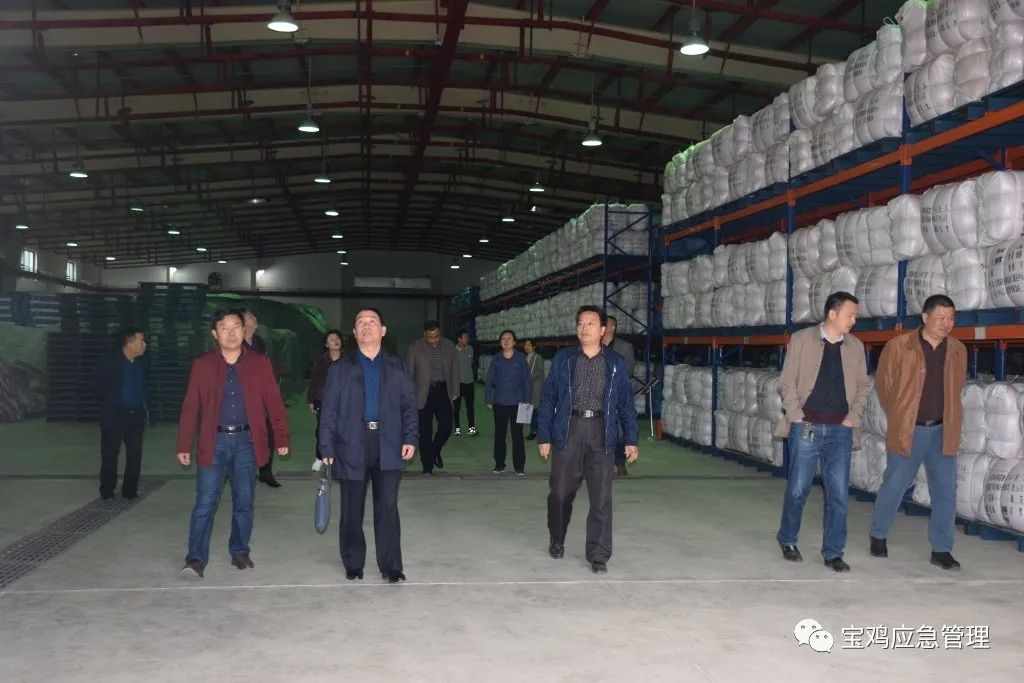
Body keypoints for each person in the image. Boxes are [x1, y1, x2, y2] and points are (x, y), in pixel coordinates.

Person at [176, 309, 290, 580]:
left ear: (244, 330)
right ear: (215, 334)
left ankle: (239, 550)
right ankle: (195, 558)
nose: (231, 332)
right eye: (224, 327)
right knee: (205, 502)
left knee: (244, 502)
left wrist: (281, 437)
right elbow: (191, 406)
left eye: (236, 326)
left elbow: (274, 402)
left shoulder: (260, 363)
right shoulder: (203, 365)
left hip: (246, 442)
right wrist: (183, 443)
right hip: (213, 441)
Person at [537, 305, 639, 574]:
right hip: (568, 428)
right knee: (559, 493)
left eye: (590, 323)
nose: (584, 328)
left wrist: (631, 438)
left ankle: (598, 554)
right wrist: (544, 434)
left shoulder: (615, 363)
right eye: (580, 323)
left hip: (601, 431)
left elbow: (626, 404)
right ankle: (557, 538)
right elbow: (548, 397)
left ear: (603, 329)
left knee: (601, 497)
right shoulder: (564, 359)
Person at [319, 308, 418, 584]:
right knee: (352, 508)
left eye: (372, 322)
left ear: (383, 330)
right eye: (360, 322)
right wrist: (326, 446)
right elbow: (329, 411)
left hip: (389, 443)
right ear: (354, 332)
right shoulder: (340, 368)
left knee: (387, 506)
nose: (366, 326)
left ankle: (391, 566)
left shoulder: (397, 366)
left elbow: (409, 406)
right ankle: (353, 562)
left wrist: (410, 437)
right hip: (351, 443)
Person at [869, 294, 966, 570]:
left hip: (943, 430)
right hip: (909, 429)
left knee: (945, 491)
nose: (946, 324)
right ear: (925, 317)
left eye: (951, 318)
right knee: (895, 484)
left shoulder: (958, 349)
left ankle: (942, 549)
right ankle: (878, 534)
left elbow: (957, 387)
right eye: (941, 318)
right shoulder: (900, 346)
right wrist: (901, 414)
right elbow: (884, 386)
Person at [774, 291, 868, 573]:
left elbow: (863, 387)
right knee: (798, 488)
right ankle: (788, 539)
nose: (854, 320)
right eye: (850, 315)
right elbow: (786, 382)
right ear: (832, 314)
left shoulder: (855, 347)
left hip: (840, 430)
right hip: (807, 426)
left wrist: (853, 416)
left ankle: (833, 552)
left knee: (838, 494)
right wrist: (797, 416)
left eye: (855, 316)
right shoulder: (802, 340)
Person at [91, 327, 148, 500]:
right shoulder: (109, 362)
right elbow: (96, 387)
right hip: (114, 414)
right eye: (141, 341)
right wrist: (110, 403)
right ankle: (107, 489)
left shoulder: (141, 363)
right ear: (129, 344)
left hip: (136, 415)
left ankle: (130, 490)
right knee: (110, 453)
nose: (144, 345)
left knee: (135, 454)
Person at [407, 321, 459, 474]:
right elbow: (409, 373)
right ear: (425, 334)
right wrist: (408, 395)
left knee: (447, 425)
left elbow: (455, 369)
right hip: (422, 392)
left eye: (436, 336)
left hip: (443, 390)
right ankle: (427, 466)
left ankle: (434, 451)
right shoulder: (415, 347)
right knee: (425, 431)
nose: (434, 340)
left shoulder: (449, 346)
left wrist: (455, 390)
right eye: (430, 337)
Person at [484, 330, 532, 475]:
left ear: (514, 342)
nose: (506, 341)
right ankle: (499, 464)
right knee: (500, 435)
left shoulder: (521, 359)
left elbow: (527, 381)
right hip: (500, 403)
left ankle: (519, 466)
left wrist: (527, 401)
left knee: (518, 436)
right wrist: (488, 399)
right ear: (500, 343)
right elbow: (489, 380)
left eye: (509, 338)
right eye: (503, 339)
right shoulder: (496, 359)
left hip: (519, 404)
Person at [242, 309, 280, 488]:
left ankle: (266, 471)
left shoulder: (258, 341)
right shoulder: (236, 344)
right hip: (245, 398)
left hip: (262, 395)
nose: (255, 319)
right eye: (251, 317)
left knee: (268, 434)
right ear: (244, 322)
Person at [602, 315, 637, 476]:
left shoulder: (625, 347)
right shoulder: (595, 345)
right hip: (599, 396)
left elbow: (629, 371)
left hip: (617, 396)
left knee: (620, 433)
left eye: (605, 324)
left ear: (612, 328)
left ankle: (620, 462)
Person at [308, 329, 344, 470]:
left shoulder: (349, 360)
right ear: (326, 345)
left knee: (343, 430)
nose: (335, 341)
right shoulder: (322, 361)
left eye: (337, 338)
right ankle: (320, 457)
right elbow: (314, 381)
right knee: (322, 430)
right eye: (331, 339)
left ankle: (340, 457)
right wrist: (311, 399)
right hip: (324, 401)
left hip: (343, 401)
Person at [453, 330, 477, 437]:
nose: (467, 339)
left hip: (469, 382)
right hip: (457, 384)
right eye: (465, 337)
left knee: (470, 406)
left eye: (467, 337)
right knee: (456, 408)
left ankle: (471, 428)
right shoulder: (453, 351)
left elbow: (470, 363)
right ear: (459, 339)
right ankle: (457, 429)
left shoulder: (470, 349)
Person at [523, 339, 544, 440]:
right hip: (526, 386)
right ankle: (533, 429)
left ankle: (535, 431)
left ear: (534, 347)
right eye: (525, 345)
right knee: (528, 408)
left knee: (535, 409)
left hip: (535, 387)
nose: (526, 347)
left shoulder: (538, 357)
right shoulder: (524, 358)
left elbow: (540, 372)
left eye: (528, 345)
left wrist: (528, 377)